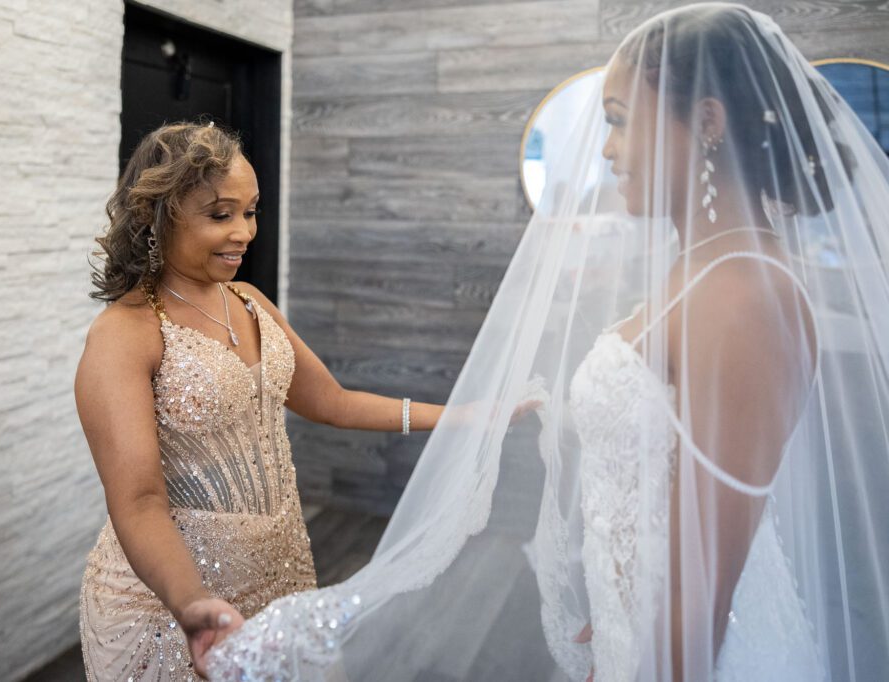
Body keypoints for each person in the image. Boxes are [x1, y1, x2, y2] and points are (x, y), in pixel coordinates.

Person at [205, 5, 889, 681]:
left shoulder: (743, 298)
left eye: (620, 121)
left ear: (707, 123)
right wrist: (623, 616)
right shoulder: (704, 268)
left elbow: (701, 592)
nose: (607, 149)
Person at [75, 121, 444, 680]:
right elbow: (139, 500)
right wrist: (192, 604)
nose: (244, 232)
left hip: (281, 571)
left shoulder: (248, 301)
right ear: (158, 216)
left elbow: (334, 402)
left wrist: (462, 417)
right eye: (220, 215)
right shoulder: (124, 334)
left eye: (250, 212)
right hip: (172, 604)